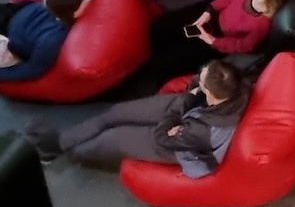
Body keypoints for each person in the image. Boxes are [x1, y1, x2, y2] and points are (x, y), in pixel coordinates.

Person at [31, 60, 249, 177]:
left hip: (180, 146)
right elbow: (194, 88)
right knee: (116, 112)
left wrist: (181, 110)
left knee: (113, 137)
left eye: (201, 80)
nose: (197, 78)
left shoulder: (206, 130)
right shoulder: (234, 84)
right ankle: (59, 143)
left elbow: (163, 138)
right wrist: (190, 98)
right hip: (186, 111)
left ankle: (72, 151)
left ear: (210, 93)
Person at [138, 0, 295, 89]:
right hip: (213, 14)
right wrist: (209, 12)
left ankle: (149, 73)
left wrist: (212, 41)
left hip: (218, 38)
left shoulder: (260, 25)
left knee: (165, 64)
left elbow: (244, 45)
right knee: (159, 28)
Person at [0, 0, 88, 83]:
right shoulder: (65, 8)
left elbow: (32, 70)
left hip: (9, 35)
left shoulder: (50, 40)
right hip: (16, 12)